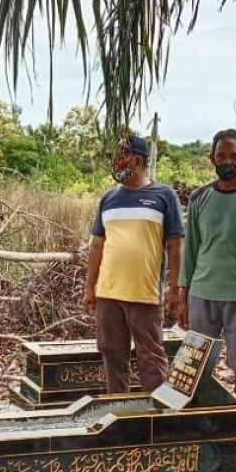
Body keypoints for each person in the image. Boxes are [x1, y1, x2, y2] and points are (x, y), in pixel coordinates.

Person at [178, 128, 236, 454]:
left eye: (234, 156)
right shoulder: (199, 198)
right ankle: (198, 428)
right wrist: (182, 293)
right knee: (196, 364)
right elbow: (190, 249)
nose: (228, 162)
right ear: (212, 159)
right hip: (202, 293)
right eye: (222, 156)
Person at [83, 135, 184, 392]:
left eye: (121, 156)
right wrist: (90, 288)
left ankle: (157, 417)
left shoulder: (163, 195)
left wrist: (174, 289)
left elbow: (174, 245)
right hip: (108, 293)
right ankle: (118, 412)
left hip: (145, 294)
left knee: (150, 356)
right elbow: (97, 245)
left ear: (137, 160)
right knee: (112, 353)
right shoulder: (108, 199)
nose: (116, 162)